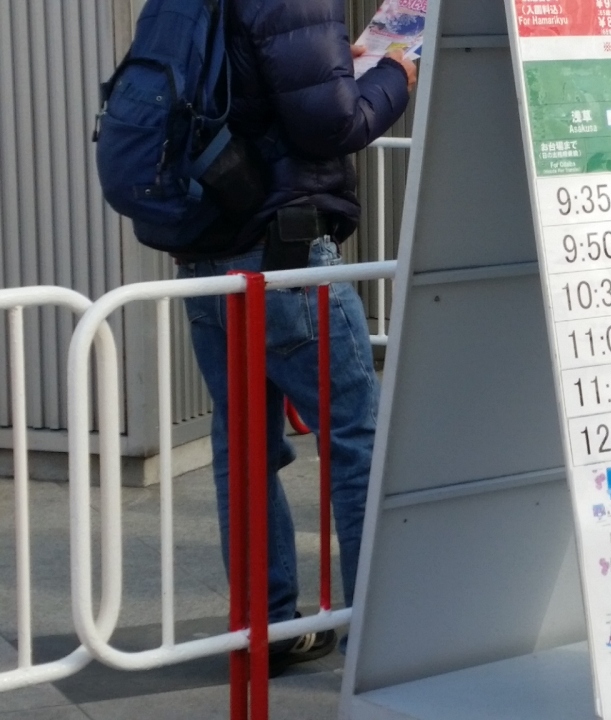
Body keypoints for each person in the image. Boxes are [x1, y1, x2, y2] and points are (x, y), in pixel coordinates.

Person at [176, 0, 417, 675]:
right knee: (357, 434)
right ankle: (381, 631)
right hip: (282, 254)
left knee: (243, 444)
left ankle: (266, 631)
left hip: (204, 255)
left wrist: (340, 70)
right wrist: (393, 76)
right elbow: (332, 123)